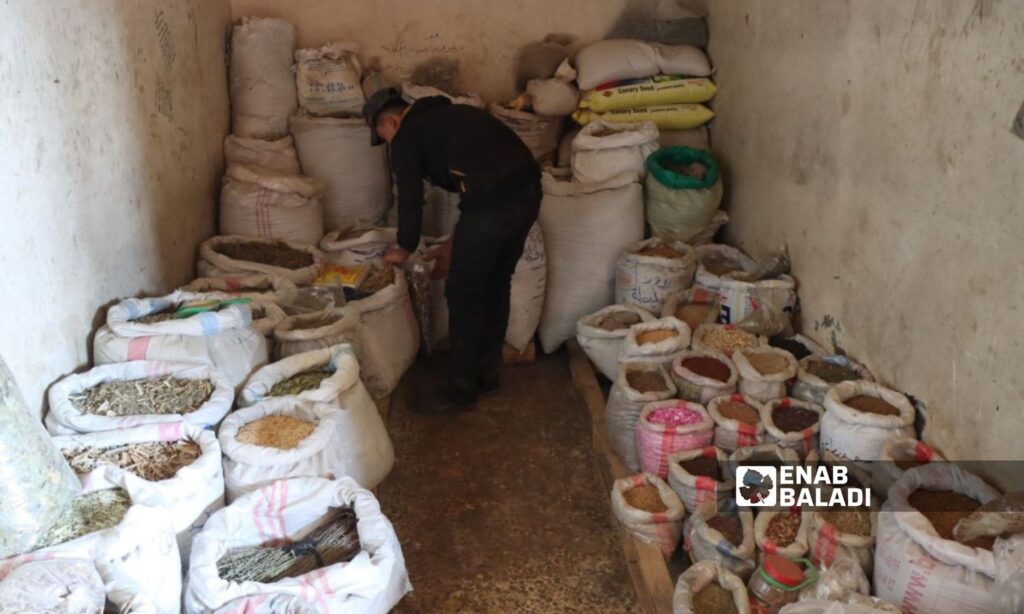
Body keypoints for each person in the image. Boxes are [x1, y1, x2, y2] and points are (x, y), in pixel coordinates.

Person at [362, 87, 541, 412]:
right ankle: (486, 374)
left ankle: (460, 390)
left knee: (464, 291)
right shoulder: (449, 117)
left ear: (390, 120)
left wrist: (402, 248)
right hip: (528, 192)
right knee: (496, 284)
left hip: (494, 201)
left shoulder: (407, 137)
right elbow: (482, 187)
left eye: (382, 135)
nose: (387, 143)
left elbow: (411, 200)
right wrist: (456, 242)